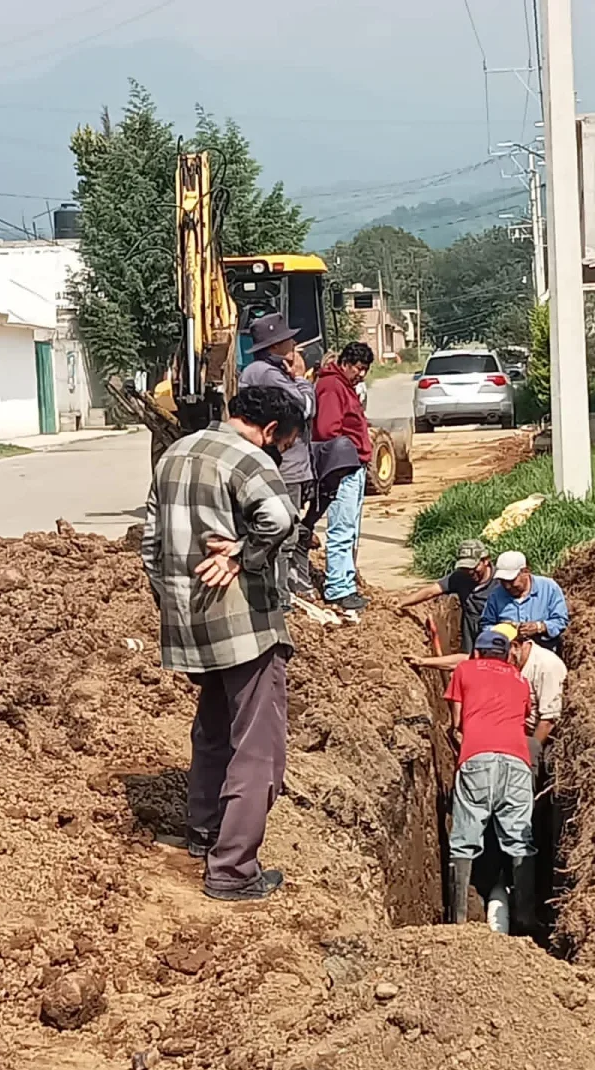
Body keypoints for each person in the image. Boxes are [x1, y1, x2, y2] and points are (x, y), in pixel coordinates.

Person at [141, 386, 305, 902]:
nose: (279, 454)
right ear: (272, 431)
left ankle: (203, 831)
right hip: (244, 625)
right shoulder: (249, 459)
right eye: (284, 444)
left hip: (190, 622)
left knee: (213, 726)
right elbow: (282, 519)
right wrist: (242, 554)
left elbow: (151, 542)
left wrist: (171, 600)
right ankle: (232, 870)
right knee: (258, 749)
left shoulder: (175, 453)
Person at [444, 628, 537, 933]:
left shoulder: (465, 669)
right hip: (517, 762)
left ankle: (457, 919)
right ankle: (523, 916)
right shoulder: (521, 680)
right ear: (506, 653)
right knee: (519, 839)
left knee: (465, 838)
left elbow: (456, 724)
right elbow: (522, 718)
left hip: (477, 758)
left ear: (478, 652)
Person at [410, 621, 567, 775]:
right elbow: (465, 661)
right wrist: (423, 661)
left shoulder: (547, 666)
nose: (495, 661)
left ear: (515, 646)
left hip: (539, 738)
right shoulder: (506, 658)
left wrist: (529, 756)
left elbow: (548, 721)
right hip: (506, 733)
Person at [239, 314, 316, 605]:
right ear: (274, 346)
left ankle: (278, 592)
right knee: (285, 533)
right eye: (288, 340)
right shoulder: (269, 375)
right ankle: (280, 597)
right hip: (286, 468)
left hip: (285, 465)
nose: (294, 345)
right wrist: (301, 379)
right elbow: (305, 408)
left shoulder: (256, 371)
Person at [314, 342, 375, 611]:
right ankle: (338, 587)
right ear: (346, 363)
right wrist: (350, 448)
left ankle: (346, 582)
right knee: (341, 529)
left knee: (350, 529)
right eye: (359, 368)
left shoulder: (345, 387)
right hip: (343, 467)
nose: (361, 374)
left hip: (354, 464)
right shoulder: (332, 387)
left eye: (365, 370)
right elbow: (328, 430)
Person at [399, 539, 498, 653]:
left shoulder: (501, 582)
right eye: (465, 568)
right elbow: (431, 591)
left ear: (486, 560)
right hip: (470, 647)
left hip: (495, 646)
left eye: (474, 567)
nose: (469, 572)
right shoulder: (461, 577)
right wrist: (402, 602)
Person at [481, 552, 569, 653]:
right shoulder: (495, 595)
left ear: (526, 571)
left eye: (511, 580)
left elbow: (561, 621)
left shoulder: (549, 588)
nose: (507, 586)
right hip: (509, 654)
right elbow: (486, 625)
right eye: (503, 581)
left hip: (543, 652)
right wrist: (502, 630)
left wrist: (539, 627)